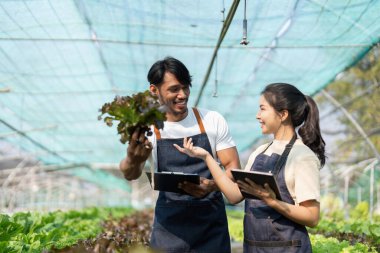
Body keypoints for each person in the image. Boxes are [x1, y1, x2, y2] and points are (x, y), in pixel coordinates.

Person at [175, 83, 326, 253]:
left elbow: (312, 217)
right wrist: (207, 157)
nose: (257, 115)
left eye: (262, 109)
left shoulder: (302, 156)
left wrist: (273, 202)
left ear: (283, 114)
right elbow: (234, 195)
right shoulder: (260, 151)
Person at [119, 56, 241, 253]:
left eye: (185, 87)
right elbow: (130, 173)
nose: (182, 95)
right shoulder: (147, 127)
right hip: (169, 225)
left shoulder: (211, 120)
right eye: (174, 89)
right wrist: (133, 159)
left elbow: (233, 170)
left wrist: (212, 185)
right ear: (154, 90)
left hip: (210, 224)